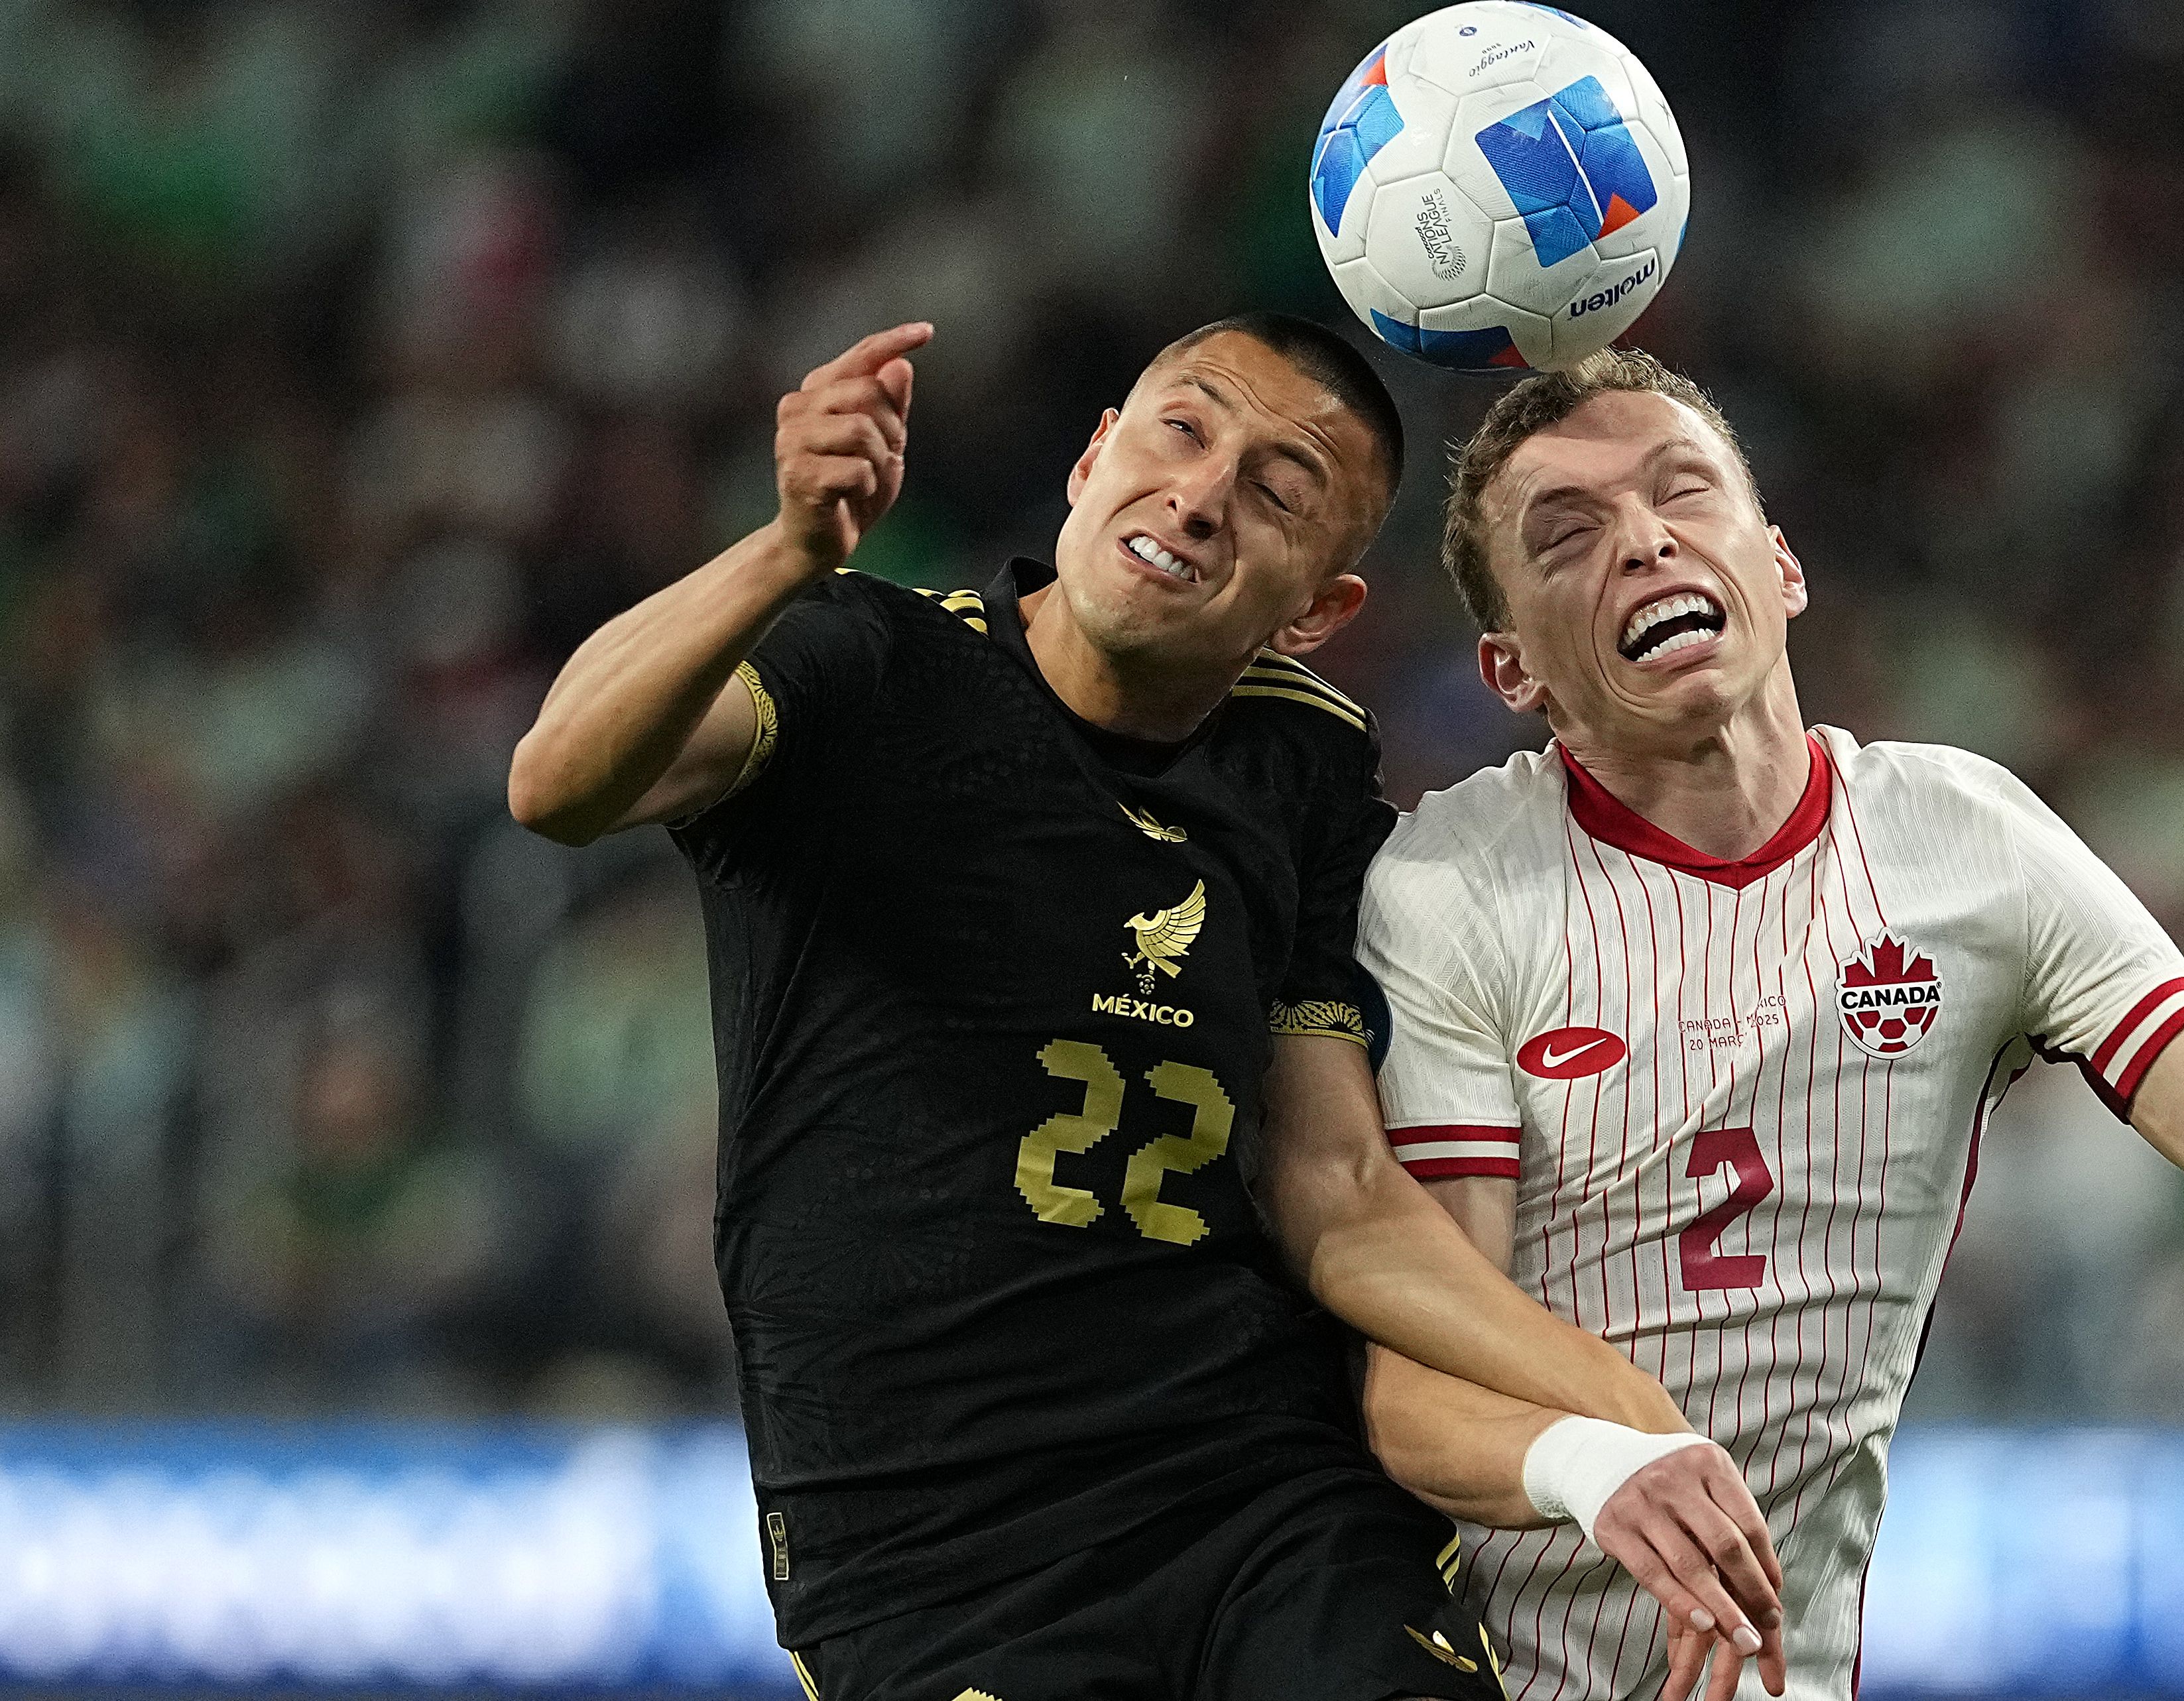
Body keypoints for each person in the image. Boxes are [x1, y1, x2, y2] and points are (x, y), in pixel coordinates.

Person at [1352, 349, 2184, 1701]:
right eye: (1568, 534)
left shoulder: (1969, 842)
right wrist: (1604, 1465)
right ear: (1510, 664)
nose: (1643, 541)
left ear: (1779, 564)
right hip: (1467, 1670)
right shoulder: (1451, 890)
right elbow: (1419, 1390)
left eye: (1681, 491)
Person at [505, 316, 1777, 1701]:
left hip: (1264, 1500)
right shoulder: (865, 664)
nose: (1203, 489)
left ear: (1316, 609)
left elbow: (1339, 1188)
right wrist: (789, 548)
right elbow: (559, 783)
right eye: (1182, 428)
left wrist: (1632, 1417)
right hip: (933, 1549)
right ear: (1094, 454)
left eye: (1278, 485)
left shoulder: (1300, 765)